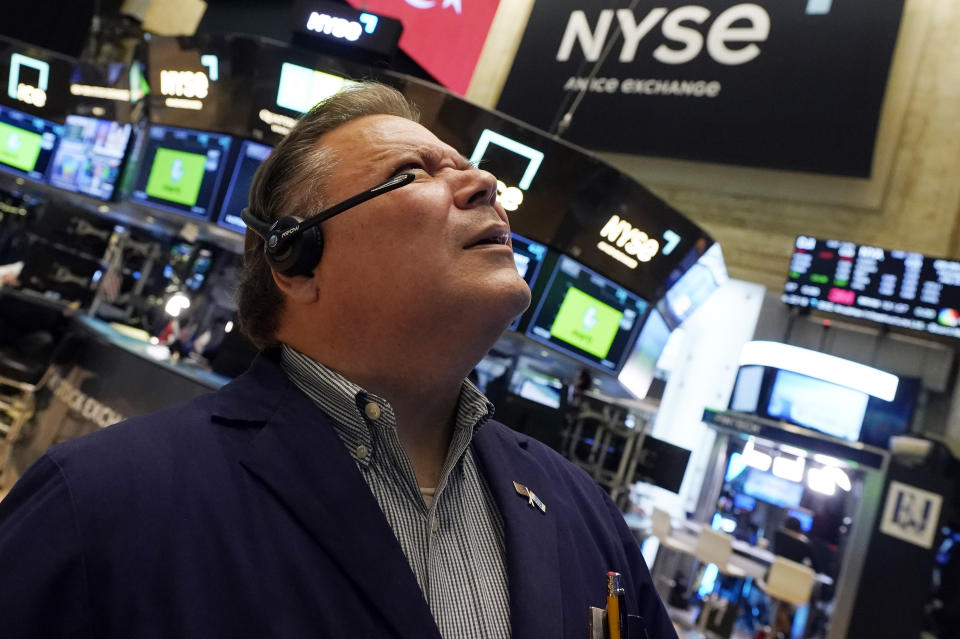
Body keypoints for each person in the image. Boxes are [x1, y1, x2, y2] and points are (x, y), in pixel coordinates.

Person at [0, 83, 676, 638]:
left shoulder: (582, 510)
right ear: (295, 259)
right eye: (412, 174)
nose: (485, 184)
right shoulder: (100, 503)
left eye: (470, 168)